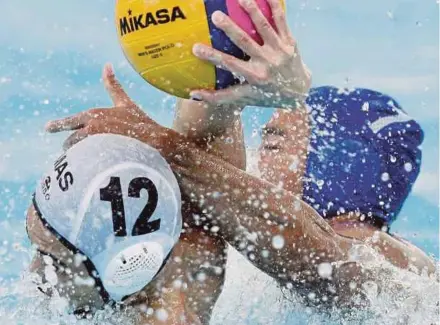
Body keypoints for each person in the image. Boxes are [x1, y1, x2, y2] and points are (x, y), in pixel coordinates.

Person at [45, 0, 436, 314]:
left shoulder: (404, 276)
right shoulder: (252, 261)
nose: (258, 161)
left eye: (273, 143)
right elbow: (211, 181)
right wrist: (232, 88)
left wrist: (161, 144)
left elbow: (318, 258)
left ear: (340, 164)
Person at [26, 69, 236, 325]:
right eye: (38, 252)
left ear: (121, 269)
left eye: (55, 264)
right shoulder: (189, 263)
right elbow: (212, 140)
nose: (36, 275)